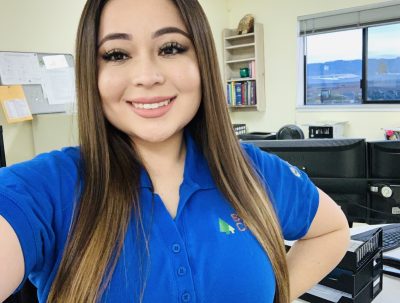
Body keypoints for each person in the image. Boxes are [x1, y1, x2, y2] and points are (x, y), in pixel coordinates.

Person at [0, 0, 350, 302]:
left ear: (202, 62)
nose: (147, 76)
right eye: (117, 54)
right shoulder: (43, 188)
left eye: (170, 48)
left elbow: (332, 230)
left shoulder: (250, 169)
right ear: (93, 74)